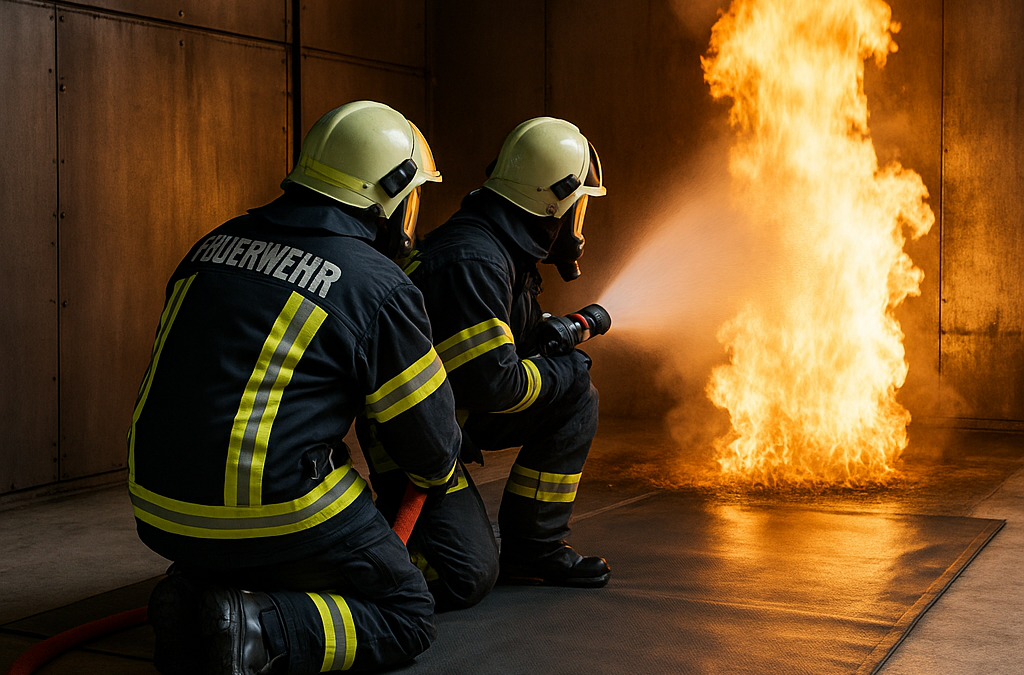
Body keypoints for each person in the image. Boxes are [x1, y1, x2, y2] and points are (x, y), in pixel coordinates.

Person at [129, 100, 461, 674]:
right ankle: (261, 627)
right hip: (273, 516)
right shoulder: (374, 281)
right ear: (391, 190)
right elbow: (430, 447)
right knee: (407, 612)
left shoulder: (210, 246)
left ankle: (195, 599)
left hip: (158, 510)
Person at [356, 117, 609, 605]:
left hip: (453, 416)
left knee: (577, 399)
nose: (576, 224)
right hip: (413, 438)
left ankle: (534, 549)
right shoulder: (474, 261)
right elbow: (494, 385)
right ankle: (360, 546)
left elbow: (492, 359)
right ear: (554, 200)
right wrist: (567, 368)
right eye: (577, 207)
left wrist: (550, 343)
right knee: (464, 575)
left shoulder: (504, 253)